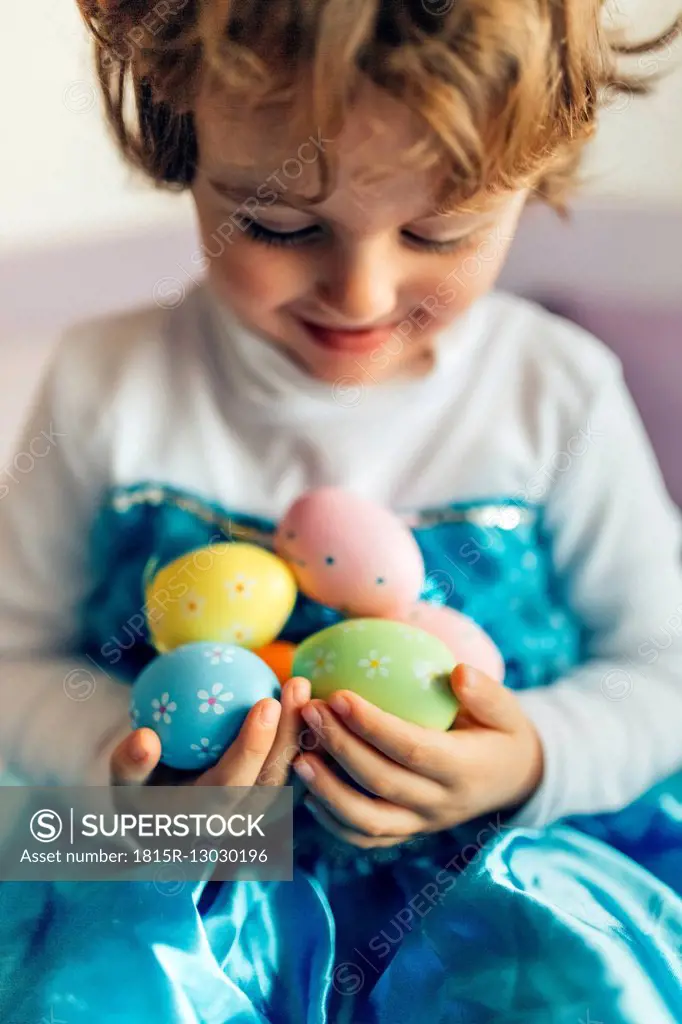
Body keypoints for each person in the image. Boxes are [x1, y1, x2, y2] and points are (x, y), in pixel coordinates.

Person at [1, 1, 681, 1021]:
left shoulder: (557, 391)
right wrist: (127, 770)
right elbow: (13, 654)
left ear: (531, 178)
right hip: (167, 868)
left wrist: (526, 758)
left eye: (438, 230)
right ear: (182, 138)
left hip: (491, 880)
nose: (360, 295)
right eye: (279, 222)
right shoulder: (107, 381)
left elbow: (661, 669)